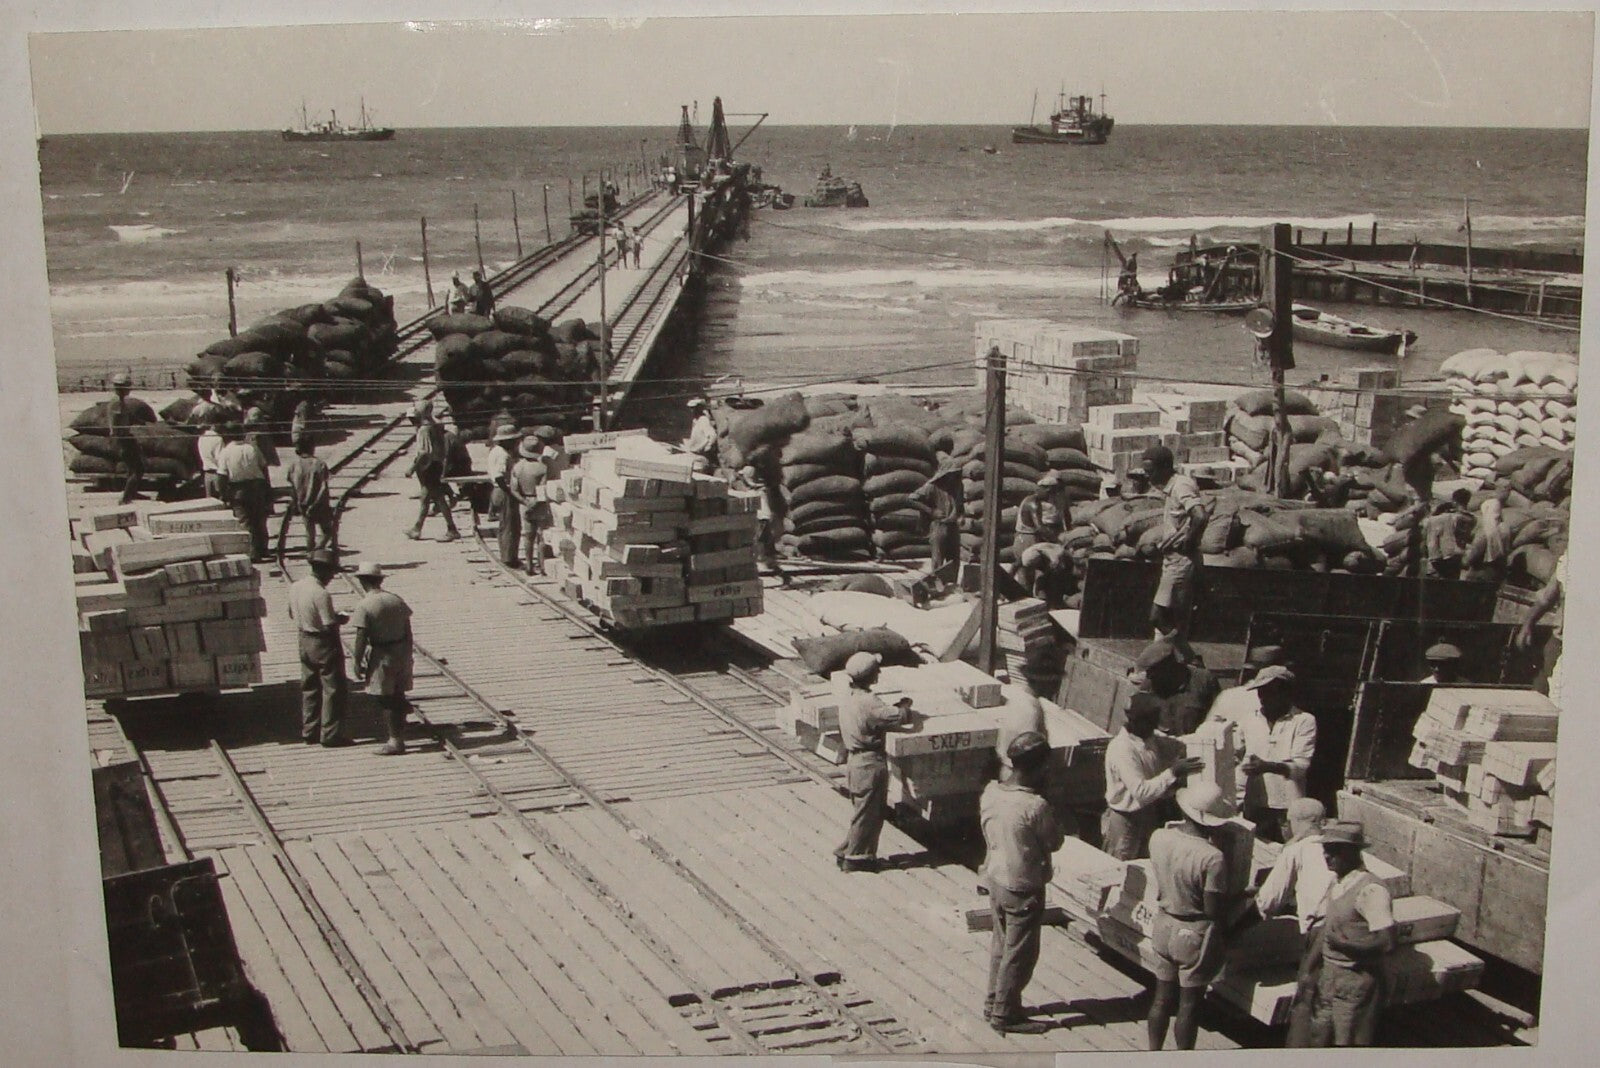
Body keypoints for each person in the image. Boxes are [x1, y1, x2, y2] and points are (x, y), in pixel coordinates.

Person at [979, 732, 1064, 1036]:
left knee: (1001, 946)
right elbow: (1055, 842)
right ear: (1039, 767)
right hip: (1023, 886)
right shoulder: (1034, 806)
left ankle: (994, 1002)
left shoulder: (990, 793)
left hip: (996, 878)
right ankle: (1005, 1014)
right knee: (1021, 954)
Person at [1147, 781, 1239, 1051]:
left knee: (1161, 999)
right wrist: (1241, 896)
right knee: (1189, 1003)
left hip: (1163, 923)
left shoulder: (1159, 837)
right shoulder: (1212, 857)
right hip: (1193, 933)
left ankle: (1153, 1053)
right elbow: (1212, 909)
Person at [1305, 821, 1397, 1047]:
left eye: (1333, 850)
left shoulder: (1371, 891)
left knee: (1346, 1046)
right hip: (1330, 978)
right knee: (1318, 1038)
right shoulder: (1338, 883)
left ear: (1352, 852)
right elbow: (1328, 930)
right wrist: (1309, 970)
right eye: (1325, 850)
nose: (1327, 856)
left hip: (1355, 982)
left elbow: (1387, 943)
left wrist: (1347, 947)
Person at [1255, 798, 1333, 1048]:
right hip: (1350, 923)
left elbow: (1268, 902)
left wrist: (1234, 929)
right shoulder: (1337, 846)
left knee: (1309, 996)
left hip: (1324, 930)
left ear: (1294, 822)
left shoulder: (1297, 850)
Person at [1103, 691, 1204, 860]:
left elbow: (1177, 743)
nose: (1155, 725)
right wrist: (1173, 772)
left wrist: (1203, 738)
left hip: (1148, 815)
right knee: (1121, 866)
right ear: (1137, 721)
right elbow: (1141, 792)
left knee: (1144, 865)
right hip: (1126, 820)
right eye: (1151, 721)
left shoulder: (1148, 738)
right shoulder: (1123, 749)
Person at [832, 653, 909, 872]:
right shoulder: (869, 702)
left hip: (855, 761)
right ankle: (857, 859)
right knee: (869, 814)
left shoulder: (850, 697)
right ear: (870, 675)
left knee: (862, 811)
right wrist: (905, 706)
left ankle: (847, 850)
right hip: (870, 763)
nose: (880, 672)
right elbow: (900, 716)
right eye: (877, 669)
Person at [1236, 665, 1316, 844]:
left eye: (1269, 692)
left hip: (1287, 808)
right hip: (1254, 805)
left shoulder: (1304, 721)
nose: (1262, 698)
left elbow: (1301, 767)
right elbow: (1236, 753)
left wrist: (1267, 766)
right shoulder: (1249, 719)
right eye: (1260, 692)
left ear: (1286, 693)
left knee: (1286, 853)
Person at [1143, 446, 1208, 662]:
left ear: (1164, 468)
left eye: (1150, 471)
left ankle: (1189, 658)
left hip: (1181, 562)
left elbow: (1200, 516)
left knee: (1158, 616)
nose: (1147, 476)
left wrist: (1187, 543)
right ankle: (1171, 659)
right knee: (1170, 618)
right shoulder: (1171, 488)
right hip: (1172, 560)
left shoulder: (1181, 486)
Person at [350, 563, 416, 757]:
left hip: (381, 653)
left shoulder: (365, 605)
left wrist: (356, 661)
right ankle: (399, 731)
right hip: (401, 650)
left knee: (385, 698)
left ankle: (395, 740)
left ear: (362, 581)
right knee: (399, 693)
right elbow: (408, 631)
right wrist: (408, 654)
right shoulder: (395, 600)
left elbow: (361, 637)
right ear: (380, 580)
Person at [288, 548, 350, 747]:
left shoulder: (296, 586)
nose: (332, 577)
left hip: (303, 639)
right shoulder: (321, 593)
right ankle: (330, 734)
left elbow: (291, 613)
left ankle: (309, 730)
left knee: (309, 687)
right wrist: (341, 620)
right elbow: (329, 625)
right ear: (324, 570)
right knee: (333, 689)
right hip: (323, 642)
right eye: (331, 572)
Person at [1133, 638, 1220, 737]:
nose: (1151, 679)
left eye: (1155, 675)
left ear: (1170, 668)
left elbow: (1219, 718)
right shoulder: (1147, 689)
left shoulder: (1204, 680)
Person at [404, 401, 460, 542]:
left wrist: (412, 467)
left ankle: (449, 529)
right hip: (436, 465)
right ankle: (418, 528)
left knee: (431, 498)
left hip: (428, 467)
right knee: (433, 498)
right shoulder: (435, 426)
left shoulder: (424, 429)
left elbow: (424, 452)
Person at [216, 421, 273, 561]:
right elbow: (264, 468)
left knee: (245, 521)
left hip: (238, 490)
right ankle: (263, 549)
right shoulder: (253, 448)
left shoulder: (226, 452)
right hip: (257, 488)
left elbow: (222, 476)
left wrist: (223, 494)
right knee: (260, 520)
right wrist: (267, 488)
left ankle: (252, 552)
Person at [1516, 551, 1566, 706]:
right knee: (1540, 694)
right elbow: (1546, 599)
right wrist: (1527, 625)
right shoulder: (1569, 562)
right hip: (1560, 640)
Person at [1013, 472, 1068, 597]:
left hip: (1025, 539)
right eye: (1049, 493)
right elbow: (1039, 528)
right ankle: (1024, 603)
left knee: (1034, 575)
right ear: (1045, 489)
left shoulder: (1033, 501)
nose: (1050, 497)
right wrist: (1058, 541)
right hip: (1026, 539)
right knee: (1026, 577)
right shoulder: (1033, 503)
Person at [910, 460, 965, 583]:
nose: (953, 476)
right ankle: (937, 586)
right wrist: (931, 511)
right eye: (951, 473)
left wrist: (961, 516)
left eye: (956, 473)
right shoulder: (932, 486)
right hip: (938, 526)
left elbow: (960, 505)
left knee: (955, 559)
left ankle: (951, 584)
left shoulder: (959, 486)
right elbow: (912, 499)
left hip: (953, 526)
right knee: (938, 559)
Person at [737, 463, 787, 585]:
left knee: (758, 554)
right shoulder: (757, 492)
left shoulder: (759, 493)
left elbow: (764, 513)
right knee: (766, 558)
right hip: (761, 524)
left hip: (762, 524)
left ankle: (782, 577)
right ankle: (784, 577)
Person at [284, 439, 336, 556]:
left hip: (302, 503)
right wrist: (318, 502)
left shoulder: (294, 465)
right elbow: (324, 487)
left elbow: (291, 485)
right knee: (327, 530)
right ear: (312, 448)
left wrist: (295, 502)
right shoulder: (319, 464)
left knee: (309, 531)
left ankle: (310, 551)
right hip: (319, 503)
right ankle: (318, 550)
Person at [508, 435, 551, 576]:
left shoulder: (517, 467)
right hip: (539, 502)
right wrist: (536, 502)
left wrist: (525, 502)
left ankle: (529, 565)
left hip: (524, 502)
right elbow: (542, 488)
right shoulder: (542, 468)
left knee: (528, 536)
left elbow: (514, 489)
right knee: (541, 535)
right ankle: (542, 565)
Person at [106, 372, 147, 503]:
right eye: (127, 386)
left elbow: (126, 417)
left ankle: (132, 492)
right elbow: (116, 423)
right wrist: (122, 439)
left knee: (133, 467)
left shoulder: (120, 402)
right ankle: (126, 498)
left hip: (125, 437)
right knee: (138, 468)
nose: (129, 389)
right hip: (122, 439)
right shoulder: (117, 403)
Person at [486, 425, 523, 567]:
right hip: (503, 491)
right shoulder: (503, 455)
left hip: (497, 491)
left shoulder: (494, 451)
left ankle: (507, 554)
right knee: (510, 526)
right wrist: (509, 491)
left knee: (504, 525)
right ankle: (509, 558)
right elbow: (499, 476)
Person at [1422, 499, 1466, 580]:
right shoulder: (1455, 518)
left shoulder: (1429, 521)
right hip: (1450, 557)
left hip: (1434, 559)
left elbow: (1424, 544)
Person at [241, 392, 280, 469]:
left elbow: (251, 423)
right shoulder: (246, 410)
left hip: (259, 438)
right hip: (251, 437)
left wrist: (239, 424)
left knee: (261, 461)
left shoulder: (254, 410)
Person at [684, 398, 719, 474]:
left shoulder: (703, 420)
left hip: (700, 455)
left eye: (694, 408)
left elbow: (712, 435)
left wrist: (706, 447)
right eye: (691, 408)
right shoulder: (695, 420)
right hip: (693, 453)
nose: (692, 410)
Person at [197, 410, 227, 500]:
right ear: (214, 425)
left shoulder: (201, 438)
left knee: (209, 501)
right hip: (217, 474)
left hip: (207, 474)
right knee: (221, 501)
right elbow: (220, 459)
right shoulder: (218, 439)